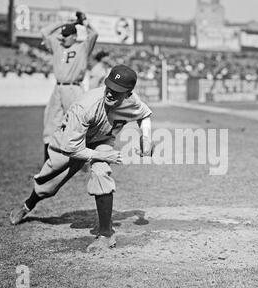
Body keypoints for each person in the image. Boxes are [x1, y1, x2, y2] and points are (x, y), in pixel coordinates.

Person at [9, 65, 154, 251]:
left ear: (128, 93)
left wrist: (146, 138)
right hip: (71, 141)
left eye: (117, 92)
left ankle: (106, 234)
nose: (110, 94)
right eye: (109, 88)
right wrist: (99, 154)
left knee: (101, 173)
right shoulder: (86, 106)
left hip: (102, 139)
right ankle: (27, 205)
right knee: (49, 180)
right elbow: (72, 148)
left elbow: (146, 115)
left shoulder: (132, 102)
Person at [41, 11, 98, 161]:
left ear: (74, 36)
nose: (63, 37)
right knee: (51, 122)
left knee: (79, 124)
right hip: (58, 88)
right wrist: (65, 22)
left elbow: (94, 34)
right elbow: (44, 32)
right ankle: (49, 159)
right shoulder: (58, 46)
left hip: (74, 88)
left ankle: (83, 159)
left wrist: (84, 23)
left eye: (66, 35)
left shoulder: (82, 47)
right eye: (62, 35)